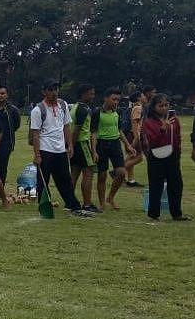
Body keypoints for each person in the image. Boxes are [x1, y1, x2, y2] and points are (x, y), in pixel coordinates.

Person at [29, 79, 93, 217]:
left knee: (65, 180)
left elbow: (66, 126)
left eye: (56, 89)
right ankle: (44, 205)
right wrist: (37, 154)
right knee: (43, 180)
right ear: (44, 92)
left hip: (60, 150)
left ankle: (72, 205)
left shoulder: (63, 105)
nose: (54, 93)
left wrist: (69, 145)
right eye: (51, 90)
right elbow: (35, 134)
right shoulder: (38, 110)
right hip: (45, 149)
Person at [142, 94, 188, 221]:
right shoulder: (149, 122)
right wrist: (162, 129)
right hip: (156, 155)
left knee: (176, 184)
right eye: (160, 105)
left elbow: (177, 137)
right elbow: (152, 140)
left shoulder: (174, 120)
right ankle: (154, 213)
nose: (164, 108)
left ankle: (177, 213)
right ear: (154, 107)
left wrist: (178, 151)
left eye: (166, 105)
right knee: (156, 185)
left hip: (172, 155)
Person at [91, 88, 136, 211]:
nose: (116, 102)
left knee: (121, 173)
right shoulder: (97, 113)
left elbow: (119, 130)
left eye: (118, 100)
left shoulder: (118, 112)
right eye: (113, 99)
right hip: (101, 145)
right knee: (102, 176)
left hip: (115, 144)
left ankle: (110, 197)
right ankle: (101, 203)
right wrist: (94, 150)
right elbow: (93, 133)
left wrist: (128, 145)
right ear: (106, 98)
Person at [69, 84, 98, 212]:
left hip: (75, 145)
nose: (93, 96)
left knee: (74, 174)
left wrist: (70, 146)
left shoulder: (75, 107)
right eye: (91, 94)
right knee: (88, 173)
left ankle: (69, 201)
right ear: (83, 94)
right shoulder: (83, 110)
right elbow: (76, 130)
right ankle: (87, 204)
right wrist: (72, 145)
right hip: (82, 143)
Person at [0, 85, 21, 186]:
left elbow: (16, 125)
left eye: (2, 93)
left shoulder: (13, 110)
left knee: (2, 167)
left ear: (7, 95)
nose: (0, 96)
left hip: (6, 142)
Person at [124, 90, 147, 187]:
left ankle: (131, 180)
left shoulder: (135, 107)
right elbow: (135, 123)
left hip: (131, 134)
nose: (145, 97)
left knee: (132, 155)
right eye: (143, 96)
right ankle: (118, 170)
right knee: (139, 157)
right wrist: (136, 137)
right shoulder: (138, 108)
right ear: (138, 98)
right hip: (134, 135)